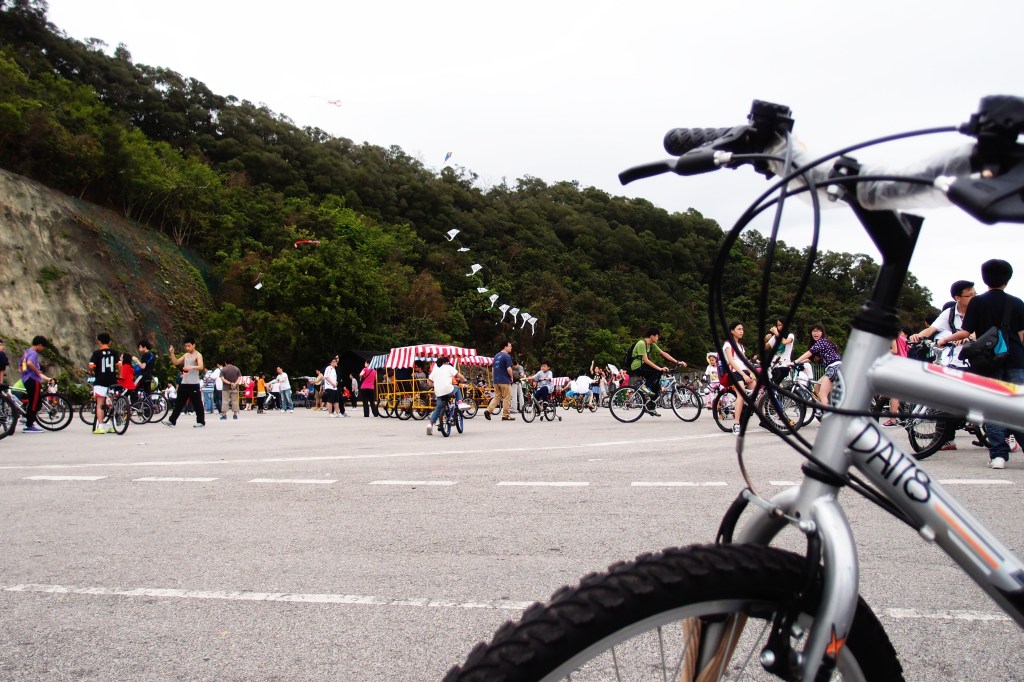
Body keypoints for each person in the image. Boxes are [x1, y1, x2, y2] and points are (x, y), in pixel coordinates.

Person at [946, 259, 1024, 469]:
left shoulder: (977, 302)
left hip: (988, 361)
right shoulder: (1017, 303)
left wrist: (944, 340)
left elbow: (966, 331)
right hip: (1016, 359)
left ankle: (998, 456)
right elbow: (1022, 335)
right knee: (1019, 405)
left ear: (984, 278)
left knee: (992, 407)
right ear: (1008, 279)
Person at [629, 327, 686, 418]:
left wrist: (677, 362)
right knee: (657, 370)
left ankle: (650, 406)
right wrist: (659, 368)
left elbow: (664, 353)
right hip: (637, 366)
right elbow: (646, 360)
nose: (658, 338)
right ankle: (645, 386)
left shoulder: (651, 345)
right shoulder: (641, 343)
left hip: (643, 365)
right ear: (652, 336)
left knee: (656, 388)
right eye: (657, 336)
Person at [793, 324, 843, 417]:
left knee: (822, 394)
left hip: (833, 368)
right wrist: (797, 362)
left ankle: (828, 416)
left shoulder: (822, 342)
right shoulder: (825, 343)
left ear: (822, 332)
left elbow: (809, 353)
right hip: (837, 368)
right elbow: (812, 359)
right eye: (813, 331)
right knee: (817, 386)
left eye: (818, 331)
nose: (815, 333)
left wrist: (796, 361)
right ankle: (825, 406)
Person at [722, 322, 757, 433]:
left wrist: (751, 372)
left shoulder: (741, 346)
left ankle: (764, 418)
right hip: (734, 372)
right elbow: (731, 362)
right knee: (741, 395)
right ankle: (736, 424)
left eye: (742, 329)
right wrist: (744, 375)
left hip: (744, 372)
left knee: (756, 390)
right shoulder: (728, 344)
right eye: (739, 329)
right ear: (732, 331)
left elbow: (744, 361)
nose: (741, 331)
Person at [165, 338, 206, 427]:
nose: (187, 348)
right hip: (184, 383)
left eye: (189, 346)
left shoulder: (198, 355)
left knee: (197, 403)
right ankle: (172, 420)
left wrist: (190, 367)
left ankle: (201, 421)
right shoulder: (186, 355)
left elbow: (201, 366)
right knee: (179, 403)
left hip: (194, 383)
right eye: (186, 346)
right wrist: (172, 353)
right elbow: (176, 362)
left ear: (194, 345)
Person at [425, 356, 469, 435]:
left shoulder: (435, 370)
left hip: (438, 392)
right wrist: (465, 380)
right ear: (446, 362)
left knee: (438, 408)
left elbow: (429, 382)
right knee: (457, 388)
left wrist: (435, 385)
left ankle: (430, 425)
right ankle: (460, 403)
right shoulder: (448, 367)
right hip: (448, 389)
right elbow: (460, 376)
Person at [19, 335, 51, 434]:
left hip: (26, 379)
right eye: (43, 347)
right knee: (35, 403)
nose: (43, 349)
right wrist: (37, 372)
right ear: (40, 345)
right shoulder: (33, 353)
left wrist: (25, 375)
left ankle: (28, 421)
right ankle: (29, 425)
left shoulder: (26, 352)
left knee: (34, 402)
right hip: (33, 379)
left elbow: (21, 366)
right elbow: (29, 363)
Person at [88, 333, 118, 434]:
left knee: (100, 404)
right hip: (112, 381)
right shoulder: (114, 352)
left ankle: (101, 427)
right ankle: (112, 426)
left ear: (99, 341)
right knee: (111, 403)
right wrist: (119, 374)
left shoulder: (96, 353)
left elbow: (91, 366)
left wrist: (92, 372)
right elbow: (119, 364)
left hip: (100, 381)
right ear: (110, 342)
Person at [883, 328, 911, 427]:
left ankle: (893, 420)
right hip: (905, 364)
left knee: (893, 395)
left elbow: (894, 351)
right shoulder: (903, 339)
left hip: (897, 365)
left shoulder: (893, 335)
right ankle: (900, 417)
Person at [484, 340, 515, 421]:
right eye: (510, 346)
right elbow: (509, 369)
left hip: (496, 380)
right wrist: (511, 377)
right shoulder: (506, 356)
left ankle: (488, 410)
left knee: (497, 396)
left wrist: (495, 378)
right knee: (507, 398)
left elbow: (493, 369)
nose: (511, 347)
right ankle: (506, 415)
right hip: (504, 380)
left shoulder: (496, 356)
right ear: (505, 347)